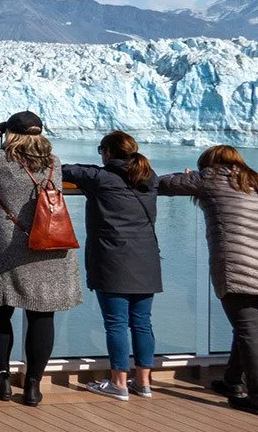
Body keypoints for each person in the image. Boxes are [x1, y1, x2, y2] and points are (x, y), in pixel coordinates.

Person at [0, 112, 81, 407]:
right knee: (42, 315)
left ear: (8, 134)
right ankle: (34, 386)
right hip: (51, 248)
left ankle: (3, 381)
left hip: (9, 250)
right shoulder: (54, 163)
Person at [62, 131, 161, 401]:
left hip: (112, 260)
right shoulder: (149, 177)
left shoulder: (100, 177)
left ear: (107, 152)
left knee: (116, 323)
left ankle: (119, 383)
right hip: (147, 260)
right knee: (141, 322)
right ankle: (143, 383)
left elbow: (64, 171)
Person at [159, 146, 258, 413]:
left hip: (237, 268)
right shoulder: (253, 180)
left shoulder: (210, 177)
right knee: (246, 327)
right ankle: (232, 381)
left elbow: (162, 183)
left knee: (248, 331)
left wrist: (191, 175)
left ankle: (256, 398)